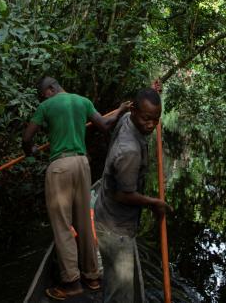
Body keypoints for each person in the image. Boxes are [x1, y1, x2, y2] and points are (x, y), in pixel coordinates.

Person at [22, 76, 129, 300]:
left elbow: (27, 137)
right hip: (82, 164)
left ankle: (71, 282)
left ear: (50, 90)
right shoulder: (83, 101)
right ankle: (92, 277)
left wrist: (30, 150)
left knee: (62, 227)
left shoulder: (46, 106)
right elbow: (105, 126)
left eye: (44, 94)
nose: (44, 98)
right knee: (83, 222)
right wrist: (119, 110)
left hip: (60, 166)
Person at [93, 88, 171, 303]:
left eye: (156, 119)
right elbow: (123, 195)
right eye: (147, 119)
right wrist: (155, 203)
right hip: (115, 228)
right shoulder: (129, 151)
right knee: (121, 296)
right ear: (135, 111)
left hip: (105, 213)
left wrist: (154, 91)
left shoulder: (128, 116)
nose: (151, 125)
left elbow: (144, 105)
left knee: (113, 284)